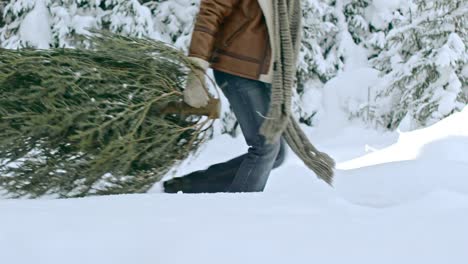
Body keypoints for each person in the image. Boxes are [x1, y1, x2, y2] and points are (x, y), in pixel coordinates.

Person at [164, 0, 334, 193]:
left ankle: (186, 186)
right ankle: (241, 211)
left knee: (275, 154)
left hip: (261, 73)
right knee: (265, 147)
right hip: (237, 69)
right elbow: (210, 11)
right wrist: (196, 70)